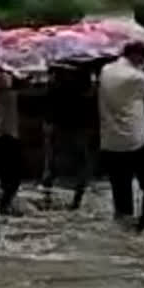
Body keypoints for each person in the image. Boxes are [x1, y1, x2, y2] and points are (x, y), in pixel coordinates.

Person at [98, 42, 144, 232]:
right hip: (137, 142)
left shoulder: (106, 70)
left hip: (111, 143)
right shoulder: (136, 77)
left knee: (121, 190)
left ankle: (123, 229)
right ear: (138, 57)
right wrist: (143, 72)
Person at [41, 62, 99, 210]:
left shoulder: (54, 82)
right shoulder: (80, 76)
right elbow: (89, 95)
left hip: (58, 124)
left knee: (52, 160)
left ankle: (48, 198)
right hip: (76, 124)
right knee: (81, 160)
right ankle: (76, 199)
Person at [0, 67, 24, 215]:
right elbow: (17, 85)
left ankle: (3, 205)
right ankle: (3, 206)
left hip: (7, 134)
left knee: (11, 178)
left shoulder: (5, 75)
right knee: (10, 178)